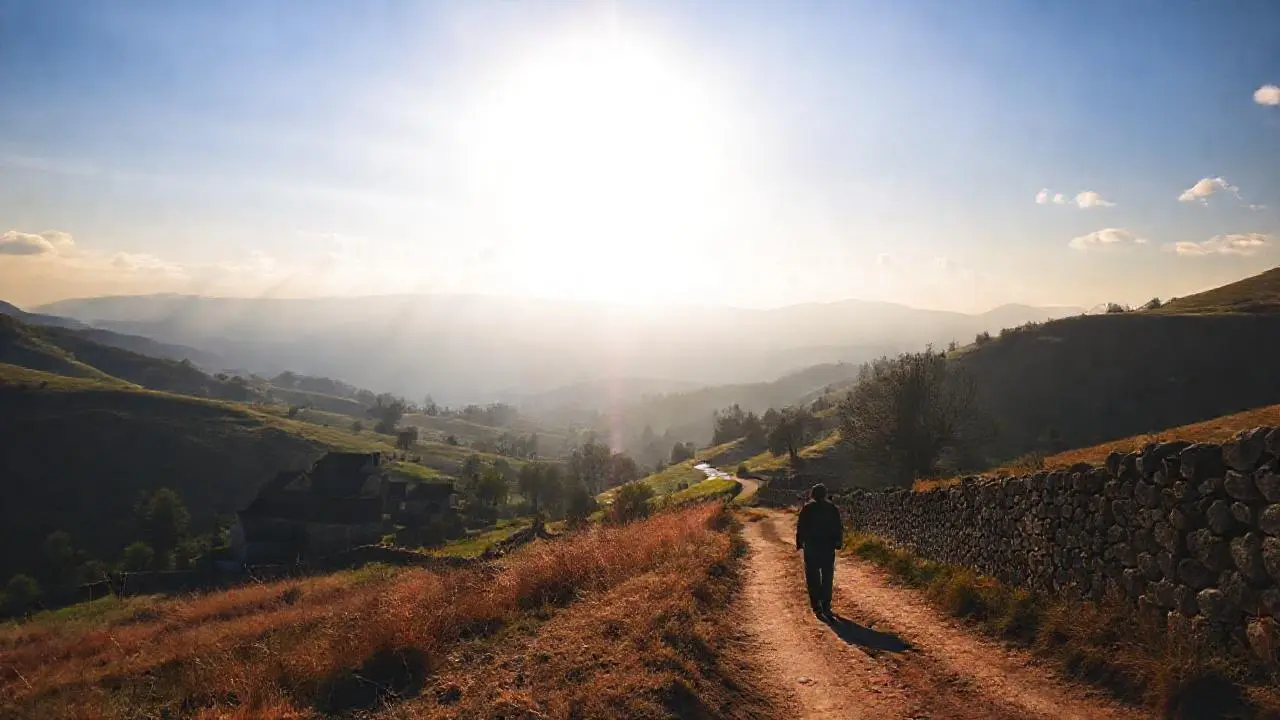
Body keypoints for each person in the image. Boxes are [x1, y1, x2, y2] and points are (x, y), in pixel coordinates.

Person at [795, 483, 843, 617]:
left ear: (812, 494)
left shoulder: (807, 508)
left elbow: (801, 526)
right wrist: (838, 542)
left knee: (812, 576)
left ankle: (816, 604)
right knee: (827, 575)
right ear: (825, 494)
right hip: (828, 546)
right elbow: (838, 526)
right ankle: (826, 603)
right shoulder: (832, 508)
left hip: (812, 546)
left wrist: (800, 543)